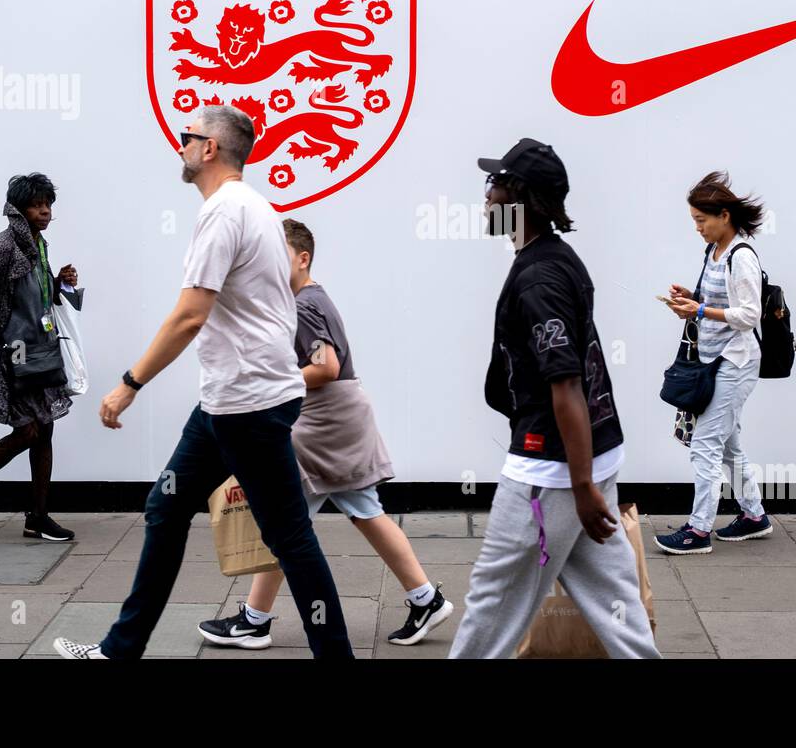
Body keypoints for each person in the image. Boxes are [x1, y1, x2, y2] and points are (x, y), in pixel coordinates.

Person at [53, 106, 352, 659]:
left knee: (290, 537)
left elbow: (190, 314)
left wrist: (129, 383)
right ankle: (120, 650)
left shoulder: (224, 212)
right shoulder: (257, 208)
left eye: (188, 137)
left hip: (248, 406)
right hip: (228, 404)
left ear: (210, 148)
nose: (181, 145)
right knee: (166, 508)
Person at [198, 218, 454, 650]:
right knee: (356, 513)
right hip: (335, 423)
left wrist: (274, 382)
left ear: (303, 258)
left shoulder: (302, 306)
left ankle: (254, 621)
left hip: (325, 425)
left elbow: (326, 366)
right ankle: (425, 598)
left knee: (288, 521)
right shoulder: (311, 298)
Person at [449, 138, 660, 659]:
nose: (487, 198)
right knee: (618, 604)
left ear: (521, 197)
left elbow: (564, 383)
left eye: (495, 186)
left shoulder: (539, 276)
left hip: (551, 473)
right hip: (592, 455)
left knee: (491, 603)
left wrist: (583, 487)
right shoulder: (557, 258)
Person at [0, 173, 81, 542]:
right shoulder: (1, 248)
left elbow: (33, 295)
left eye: (49, 205)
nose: (45, 212)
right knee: (28, 430)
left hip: (39, 350)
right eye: (37, 205)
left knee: (45, 429)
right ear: (18, 209)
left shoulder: (39, 245)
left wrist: (60, 282)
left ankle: (37, 518)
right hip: (8, 355)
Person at [655, 170, 773, 555]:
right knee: (727, 446)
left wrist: (701, 308)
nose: (698, 228)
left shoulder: (742, 257)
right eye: (694, 221)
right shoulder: (713, 253)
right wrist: (690, 300)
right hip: (714, 361)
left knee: (704, 445)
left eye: (701, 220)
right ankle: (754, 515)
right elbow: (713, 304)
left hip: (735, 363)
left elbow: (749, 314)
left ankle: (698, 530)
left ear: (724, 215)